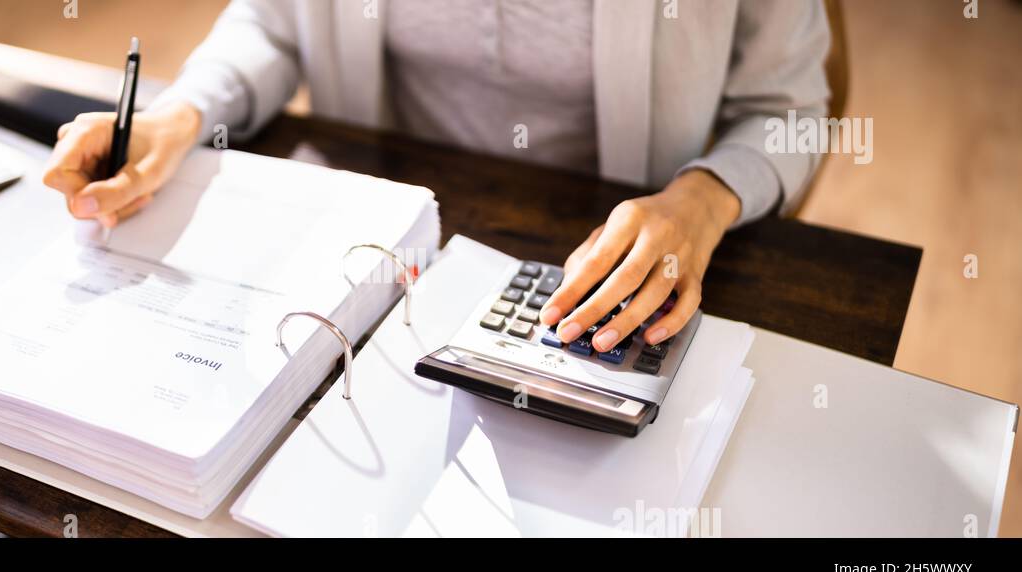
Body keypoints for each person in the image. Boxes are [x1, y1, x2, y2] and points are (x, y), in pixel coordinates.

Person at [43, 0, 831, 353]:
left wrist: (702, 199)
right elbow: (274, 23)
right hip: (388, 246)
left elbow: (790, 109)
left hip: (598, 259)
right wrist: (182, 115)